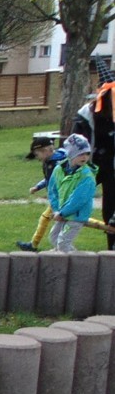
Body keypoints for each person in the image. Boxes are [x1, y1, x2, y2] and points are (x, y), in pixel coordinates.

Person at [73, 58, 115, 250]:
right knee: (71, 201)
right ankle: (62, 242)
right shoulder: (87, 114)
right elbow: (76, 142)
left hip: (112, 166)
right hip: (93, 165)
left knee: (111, 209)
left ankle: (112, 247)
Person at [46, 133, 98, 254]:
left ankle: (77, 261)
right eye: (80, 154)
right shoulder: (58, 170)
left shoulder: (87, 176)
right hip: (61, 213)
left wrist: (63, 212)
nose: (84, 157)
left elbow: (79, 198)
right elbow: (53, 191)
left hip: (76, 215)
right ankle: (67, 258)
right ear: (70, 154)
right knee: (54, 237)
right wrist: (56, 210)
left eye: (87, 154)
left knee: (63, 242)